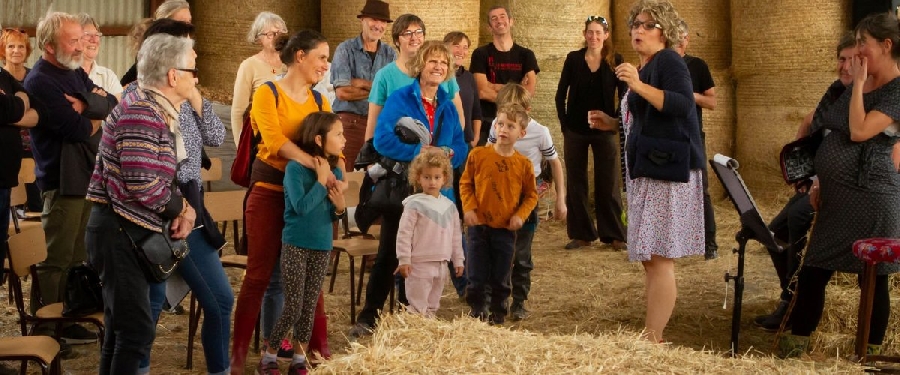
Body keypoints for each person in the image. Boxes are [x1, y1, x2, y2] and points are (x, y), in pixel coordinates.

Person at [115, 19, 233, 375]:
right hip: (154, 209)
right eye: (189, 51)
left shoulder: (187, 93)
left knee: (220, 300)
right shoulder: (137, 96)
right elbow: (140, 173)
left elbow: (214, 135)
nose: (196, 59)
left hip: (189, 205)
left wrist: (196, 95)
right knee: (147, 308)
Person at [781, 12, 900, 358]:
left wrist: (859, 86)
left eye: (864, 43)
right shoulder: (856, 85)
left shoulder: (895, 90)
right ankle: (794, 348)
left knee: (873, 280)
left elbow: (860, 130)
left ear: (886, 45)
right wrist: (820, 179)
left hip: (874, 196)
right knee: (814, 269)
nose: (859, 50)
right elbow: (833, 127)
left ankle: (869, 354)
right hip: (837, 197)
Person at [85, 33, 198, 374]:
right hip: (120, 232)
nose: (197, 78)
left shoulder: (154, 112)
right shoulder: (142, 114)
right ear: (173, 76)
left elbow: (154, 182)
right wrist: (183, 208)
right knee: (133, 332)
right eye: (193, 69)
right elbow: (144, 185)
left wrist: (183, 209)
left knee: (123, 332)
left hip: (128, 231)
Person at [230, 30, 333, 374]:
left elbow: (333, 143)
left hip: (309, 196)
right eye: (321, 57)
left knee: (312, 281)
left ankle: (315, 352)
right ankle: (237, 356)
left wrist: (336, 170)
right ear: (300, 56)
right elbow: (273, 141)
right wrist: (314, 164)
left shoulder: (320, 101)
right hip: (270, 192)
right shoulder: (267, 93)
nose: (325, 64)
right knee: (258, 276)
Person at [349, 40, 468, 338]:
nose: (438, 67)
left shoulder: (447, 105)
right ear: (421, 65)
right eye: (432, 62)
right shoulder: (401, 98)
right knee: (390, 253)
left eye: (443, 63)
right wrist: (420, 150)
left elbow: (460, 146)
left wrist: (447, 154)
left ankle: (411, 319)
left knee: (423, 256)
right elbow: (382, 141)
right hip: (403, 190)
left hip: (435, 193)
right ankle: (369, 317)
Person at [25, 10, 118, 346]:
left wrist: (86, 103)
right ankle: (47, 329)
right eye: (73, 40)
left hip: (86, 175)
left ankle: (69, 317)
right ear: (49, 45)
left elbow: (109, 102)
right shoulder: (41, 81)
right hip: (62, 180)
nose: (81, 46)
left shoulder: (73, 72)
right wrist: (92, 112)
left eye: (82, 39)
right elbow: (78, 129)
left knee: (78, 256)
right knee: (57, 259)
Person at [753, 33, 856, 333]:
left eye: (851, 59)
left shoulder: (864, 95)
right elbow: (813, 127)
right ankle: (790, 296)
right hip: (818, 183)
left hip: (843, 191)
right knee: (772, 233)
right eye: (841, 58)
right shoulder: (835, 91)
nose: (845, 65)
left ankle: (794, 303)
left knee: (799, 219)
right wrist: (803, 172)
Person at [615, 0, 704, 343]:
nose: (638, 30)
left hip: (668, 171)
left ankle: (654, 339)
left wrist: (637, 86)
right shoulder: (651, 64)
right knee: (651, 258)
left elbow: (682, 105)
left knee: (660, 257)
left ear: (664, 32)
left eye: (647, 25)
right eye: (636, 24)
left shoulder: (669, 61)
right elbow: (648, 116)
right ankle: (653, 336)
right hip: (651, 167)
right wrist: (612, 120)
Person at [259, 112, 345, 375]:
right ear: (319, 139)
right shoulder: (295, 169)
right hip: (296, 244)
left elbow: (332, 214)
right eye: (338, 134)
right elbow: (301, 207)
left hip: (322, 245)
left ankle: (298, 360)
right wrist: (320, 181)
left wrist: (340, 209)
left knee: (309, 305)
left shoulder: (337, 171)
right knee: (294, 303)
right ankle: (269, 356)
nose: (344, 140)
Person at [486, 83, 565, 320]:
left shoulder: (540, 132)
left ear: (527, 111)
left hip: (526, 198)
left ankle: (519, 301)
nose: (506, 122)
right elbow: (488, 153)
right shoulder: (496, 125)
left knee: (521, 253)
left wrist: (561, 199)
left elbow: (555, 163)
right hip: (499, 194)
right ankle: (495, 301)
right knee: (497, 250)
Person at [460, 103, 538, 325]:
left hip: (505, 229)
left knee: (501, 274)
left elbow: (531, 195)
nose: (503, 129)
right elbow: (466, 184)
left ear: (521, 133)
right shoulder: (478, 156)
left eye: (510, 126)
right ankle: (477, 311)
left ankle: (498, 314)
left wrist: (520, 215)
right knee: (476, 273)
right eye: (500, 124)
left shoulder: (523, 164)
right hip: (479, 226)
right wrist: (469, 208)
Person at [555, 15, 628, 251]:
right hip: (575, 130)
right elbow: (560, 94)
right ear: (584, 34)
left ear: (606, 35)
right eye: (590, 32)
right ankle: (582, 234)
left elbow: (625, 95)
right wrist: (565, 124)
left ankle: (614, 234)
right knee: (576, 182)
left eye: (598, 32)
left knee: (608, 181)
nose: (594, 37)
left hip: (604, 131)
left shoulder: (615, 60)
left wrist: (616, 121)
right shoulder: (573, 59)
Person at [361, 14, 465, 144]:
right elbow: (374, 123)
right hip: (399, 153)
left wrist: (449, 146)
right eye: (407, 33)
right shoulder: (384, 76)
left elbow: (459, 116)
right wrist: (369, 158)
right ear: (396, 41)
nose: (414, 37)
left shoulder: (441, 72)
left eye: (418, 32)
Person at [394, 151, 464, 317]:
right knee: (417, 306)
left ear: (444, 179)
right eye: (427, 177)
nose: (432, 182)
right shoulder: (414, 204)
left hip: (441, 263)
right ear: (418, 178)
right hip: (419, 263)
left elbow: (456, 236)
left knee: (432, 305)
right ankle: (413, 333)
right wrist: (404, 259)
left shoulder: (450, 206)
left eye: (436, 177)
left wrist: (458, 259)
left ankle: (428, 333)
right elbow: (404, 234)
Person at [330, 0, 396, 170]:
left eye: (383, 21)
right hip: (349, 124)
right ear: (362, 20)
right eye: (374, 19)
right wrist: (379, 88)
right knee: (347, 175)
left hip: (381, 125)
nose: (378, 25)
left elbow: (394, 92)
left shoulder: (390, 54)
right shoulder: (345, 49)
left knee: (378, 178)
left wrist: (359, 82)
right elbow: (342, 93)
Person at [674, 20, 717, 260]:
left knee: (702, 189)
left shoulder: (698, 65)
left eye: (683, 37)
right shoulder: (661, 64)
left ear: (688, 40)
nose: (680, 41)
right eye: (675, 36)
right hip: (668, 137)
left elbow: (712, 102)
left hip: (692, 135)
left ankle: (709, 242)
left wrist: (691, 96)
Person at [471, 5, 539, 146]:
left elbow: (529, 91)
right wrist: (516, 89)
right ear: (490, 27)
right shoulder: (480, 54)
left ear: (511, 21)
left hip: (516, 123)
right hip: (488, 123)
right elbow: (482, 91)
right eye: (494, 18)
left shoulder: (526, 55)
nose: (499, 21)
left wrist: (493, 86)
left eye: (502, 16)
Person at [231, 11, 288, 146]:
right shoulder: (249, 66)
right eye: (270, 34)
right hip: (260, 137)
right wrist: (241, 146)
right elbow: (238, 111)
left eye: (280, 33)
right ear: (258, 39)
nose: (276, 37)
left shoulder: (292, 63)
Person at [1, 27, 42, 215]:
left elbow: (38, 116)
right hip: (5, 154)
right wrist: (21, 110)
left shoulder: (34, 78)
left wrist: (7, 115)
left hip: (34, 149)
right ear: (3, 49)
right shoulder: (2, 78)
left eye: (21, 46)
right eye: (10, 46)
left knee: (36, 205)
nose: (16, 51)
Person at [120, 0, 192, 86]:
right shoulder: (151, 59)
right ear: (165, 25)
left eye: (189, 22)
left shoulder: (186, 55)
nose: (188, 27)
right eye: (183, 23)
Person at [444, 31, 482, 148]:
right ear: (445, 48)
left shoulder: (468, 77)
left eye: (465, 48)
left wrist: (475, 138)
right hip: (443, 141)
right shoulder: (439, 75)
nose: (461, 52)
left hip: (465, 143)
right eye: (457, 46)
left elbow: (476, 111)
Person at [77, 14, 123, 98]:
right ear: (75, 39)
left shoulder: (108, 76)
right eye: (87, 35)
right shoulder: (65, 74)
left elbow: (120, 107)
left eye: (97, 35)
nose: (94, 40)